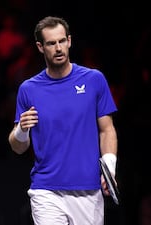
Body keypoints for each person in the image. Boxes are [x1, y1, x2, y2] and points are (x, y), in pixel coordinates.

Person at [8, 16, 118, 225]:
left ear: (69, 41)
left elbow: (107, 130)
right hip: (45, 190)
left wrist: (109, 166)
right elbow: (18, 147)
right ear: (41, 47)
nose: (58, 48)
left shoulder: (94, 80)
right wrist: (21, 130)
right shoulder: (28, 89)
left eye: (61, 41)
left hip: (88, 190)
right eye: (51, 43)